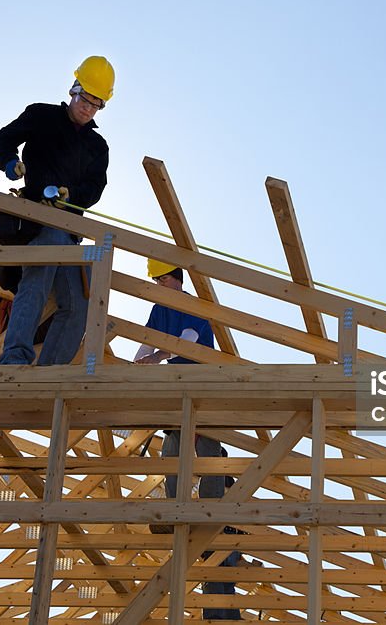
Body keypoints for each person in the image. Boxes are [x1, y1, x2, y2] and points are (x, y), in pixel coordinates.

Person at [134, 260, 241, 620]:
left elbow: (190, 342)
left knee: (207, 448)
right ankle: (173, 507)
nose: (158, 285)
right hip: (176, 387)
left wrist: (157, 358)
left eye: (161, 280)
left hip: (200, 384)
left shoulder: (193, 308)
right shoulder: (157, 307)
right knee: (173, 448)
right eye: (155, 281)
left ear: (175, 280)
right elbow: (146, 340)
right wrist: (139, 364)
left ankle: (212, 508)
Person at [0, 56, 114, 366]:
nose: (87, 107)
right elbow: (2, 139)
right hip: (37, 221)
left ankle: (49, 374)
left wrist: (72, 195)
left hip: (70, 233)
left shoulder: (98, 147)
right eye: (84, 98)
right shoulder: (42, 115)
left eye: (95, 103)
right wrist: (9, 162)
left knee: (78, 304)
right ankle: (15, 359)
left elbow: (95, 188)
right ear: (74, 90)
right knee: (37, 280)